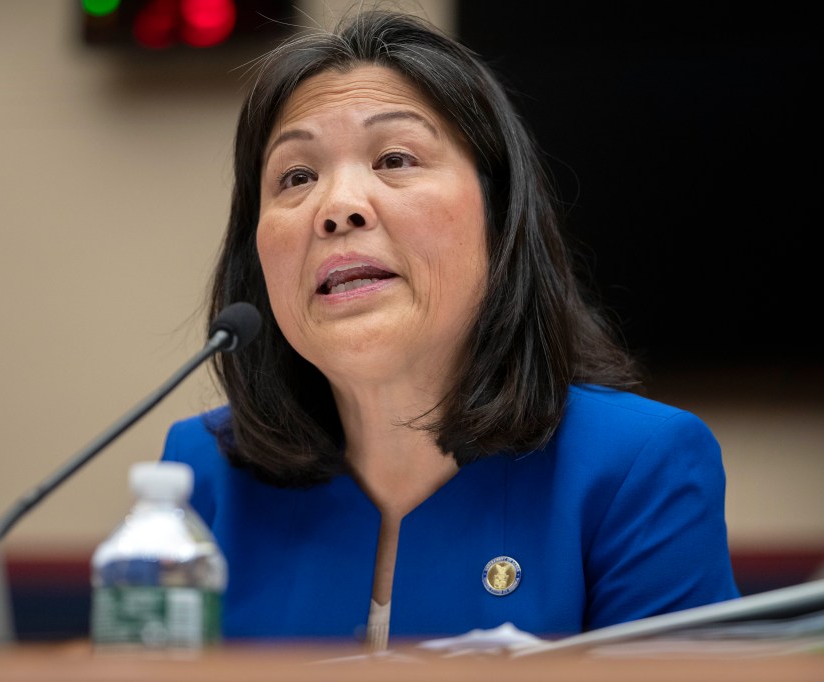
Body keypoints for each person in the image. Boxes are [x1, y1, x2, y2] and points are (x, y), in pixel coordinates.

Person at [162, 9, 739, 648]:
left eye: (395, 158)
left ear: (498, 214)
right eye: (297, 177)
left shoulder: (634, 466)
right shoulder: (200, 475)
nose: (337, 207)